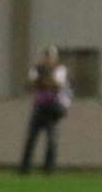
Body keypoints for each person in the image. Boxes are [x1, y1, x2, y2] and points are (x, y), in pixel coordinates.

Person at [20, 46, 71, 174]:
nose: (48, 59)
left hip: (52, 107)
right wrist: (45, 81)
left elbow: (58, 85)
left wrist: (43, 80)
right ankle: (25, 167)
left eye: (51, 56)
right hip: (39, 106)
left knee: (51, 140)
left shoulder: (60, 69)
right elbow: (30, 84)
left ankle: (49, 168)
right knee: (31, 138)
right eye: (47, 56)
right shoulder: (37, 68)